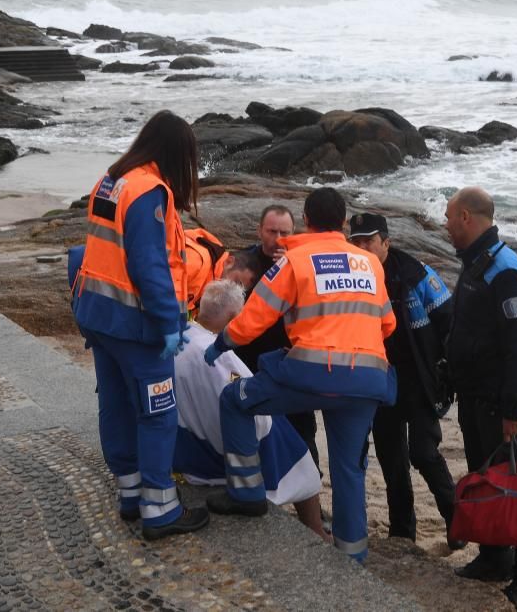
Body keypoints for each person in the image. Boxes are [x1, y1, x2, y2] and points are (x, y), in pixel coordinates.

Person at [203, 187, 397, 563]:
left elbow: (255, 317)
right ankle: (352, 556)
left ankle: (246, 495)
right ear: (342, 222)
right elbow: (388, 324)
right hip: (366, 381)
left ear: (306, 219)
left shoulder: (293, 261)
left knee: (235, 400)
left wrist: (220, 344)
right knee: (349, 469)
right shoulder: (369, 263)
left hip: (310, 375)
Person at [70, 110, 209, 540]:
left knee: (115, 404)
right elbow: (151, 265)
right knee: (157, 413)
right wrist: (170, 322)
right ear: (173, 153)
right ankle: (160, 509)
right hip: (136, 325)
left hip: (97, 315)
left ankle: (130, 494)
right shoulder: (150, 192)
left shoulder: (112, 179)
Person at [443, 187, 517, 611]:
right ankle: (493, 557)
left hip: (499, 402)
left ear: (467, 216)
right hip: (474, 396)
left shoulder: (505, 269)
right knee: (487, 481)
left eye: (449, 216)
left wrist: (514, 411)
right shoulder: (475, 264)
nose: (445, 224)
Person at [172, 279, 328, 539]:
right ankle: (316, 529)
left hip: (187, 449)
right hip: (218, 455)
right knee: (284, 434)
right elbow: (253, 415)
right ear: (235, 317)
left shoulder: (184, 337)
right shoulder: (217, 353)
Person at [347, 212, 463, 550]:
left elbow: (449, 321)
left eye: (369, 240)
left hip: (419, 377)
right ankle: (402, 532)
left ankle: (455, 518)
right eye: (356, 241)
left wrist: (447, 371)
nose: (362, 247)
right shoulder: (351, 276)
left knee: (424, 453)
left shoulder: (416, 274)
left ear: (387, 242)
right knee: (390, 458)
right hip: (378, 378)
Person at [236, 205, 321, 472]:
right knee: (252, 429)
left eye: (284, 232)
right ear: (260, 230)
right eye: (271, 231)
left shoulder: (305, 263)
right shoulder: (242, 262)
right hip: (249, 360)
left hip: (291, 359)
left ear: (294, 232)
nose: (277, 239)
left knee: (302, 432)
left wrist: (291, 267)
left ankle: (311, 492)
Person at [183, 227, 261, 315]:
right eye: (236, 282)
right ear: (229, 262)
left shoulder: (212, 280)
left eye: (239, 290)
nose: (233, 291)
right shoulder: (196, 262)